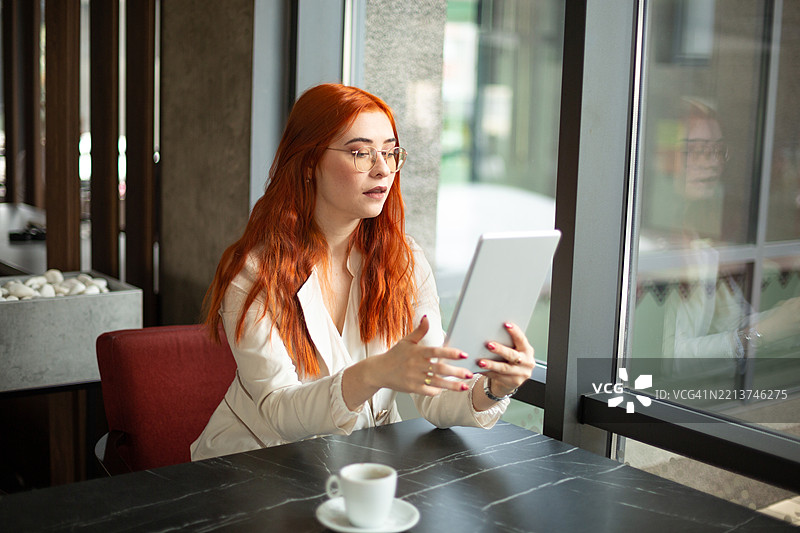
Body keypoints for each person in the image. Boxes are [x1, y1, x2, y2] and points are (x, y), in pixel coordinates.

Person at [191, 84, 535, 460]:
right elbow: (279, 412)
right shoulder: (254, 273)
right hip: (252, 466)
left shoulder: (403, 260)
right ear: (309, 164)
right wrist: (374, 373)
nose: (383, 168)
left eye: (389, 152)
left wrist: (493, 387)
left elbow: (435, 396)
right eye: (360, 152)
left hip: (355, 465)